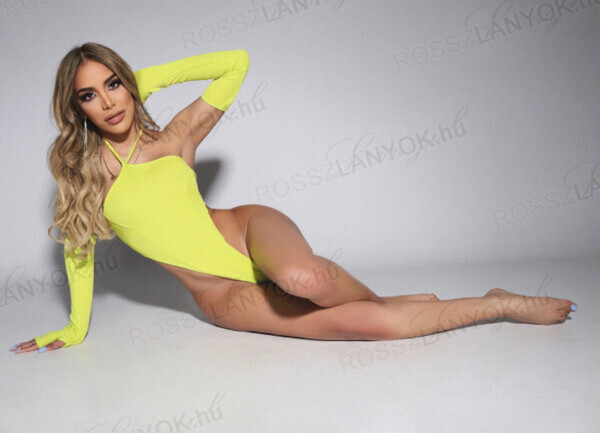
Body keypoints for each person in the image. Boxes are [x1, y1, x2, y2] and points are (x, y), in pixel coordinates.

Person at [10, 43, 578, 354]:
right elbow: (77, 252)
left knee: (305, 279)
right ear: (76, 108)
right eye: (90, 94)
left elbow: (236, 62)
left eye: (114, 84)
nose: (109, 101)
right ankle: (497, 304)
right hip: (222, 296)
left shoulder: (174, 137)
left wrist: (145, 79)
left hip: (246, 230)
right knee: (367, 328)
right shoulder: (84, 174)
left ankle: (414, 299)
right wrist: (76, 328)